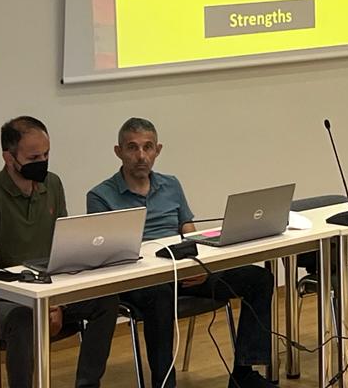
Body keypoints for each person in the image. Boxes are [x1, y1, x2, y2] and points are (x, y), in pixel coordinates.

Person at [87, 118, 274, 388]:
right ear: (119, 151)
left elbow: (189, 232)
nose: (141, 155)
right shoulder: (100, 196)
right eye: (132, 147)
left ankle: (244, 375)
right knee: (160, 295)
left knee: (259, 279)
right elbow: (108, 254)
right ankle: (165, 384)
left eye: (148, 147)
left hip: (182, 271)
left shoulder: (171, 185)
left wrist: (197, 265)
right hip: (140, 280)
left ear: (158, 150)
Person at [0, 116, 118, 388]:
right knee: (24, 319)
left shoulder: (52, 185)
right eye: (33, 157)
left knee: (105, 300)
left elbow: (64, 250)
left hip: (43, 292)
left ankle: (88, 384)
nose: (42, 161)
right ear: (9, 158)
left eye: (46, 154)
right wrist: (37, 304)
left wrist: (57, 302)